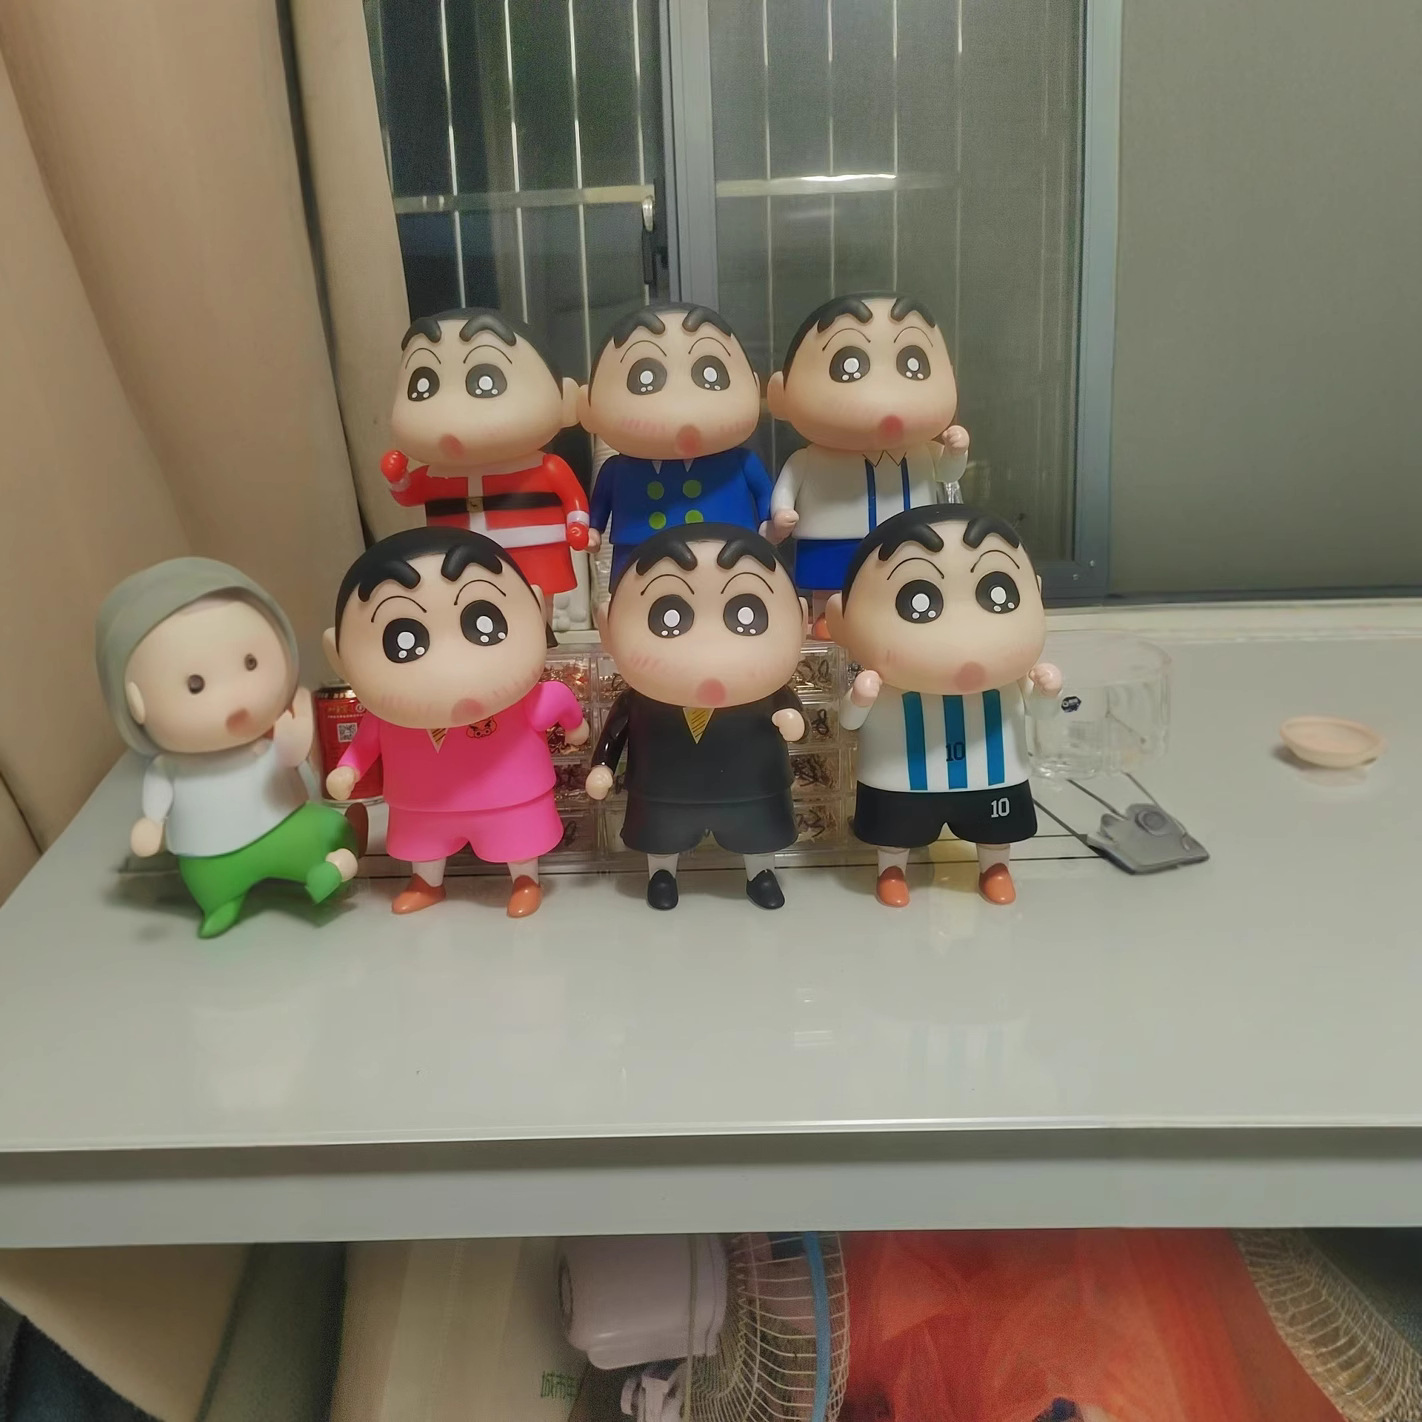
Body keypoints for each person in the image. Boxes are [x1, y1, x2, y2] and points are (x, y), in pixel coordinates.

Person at [325, 526, 588, 918]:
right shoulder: (387, 718)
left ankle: (525, 880)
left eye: (484, 623)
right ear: (339, 656)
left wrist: (576, 727)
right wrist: (347, 771)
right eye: (402, 640)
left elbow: (560, 701)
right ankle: (426, 883)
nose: (450, 667)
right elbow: (364, 745)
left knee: (517, 840)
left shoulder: (524, 701)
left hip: (508, 796)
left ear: (538, 612)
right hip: (421, 801)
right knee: (424, 845)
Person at [94, 558, 357, 937]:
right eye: (196, 685)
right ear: (134, 703)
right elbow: (159, 795)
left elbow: (294, 759)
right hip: (211, 851)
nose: (238, 699)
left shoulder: (271, 733)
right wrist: (151, 823)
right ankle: (222, 902)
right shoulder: (172, 766)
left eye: (251, 662)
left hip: (285, 823)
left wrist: (294, 741)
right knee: (209, 879)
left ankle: (327, 870)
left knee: (330, 831)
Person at [826, 505, 1062, 908]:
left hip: (994, 775)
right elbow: (848, 721)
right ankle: (891, 870)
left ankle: (995, 867)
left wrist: (1046, 693)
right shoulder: (884, 687)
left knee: (995, 829)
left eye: (999, 594)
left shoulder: (1012, 680)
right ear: (841, 619)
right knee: (895, 832)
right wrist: (860, 697)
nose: (963, 634)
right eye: (917, 602)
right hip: (901, 778)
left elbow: (1040, 714)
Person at [584, 524, 807, 910]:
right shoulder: (639, 700)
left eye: (747, 615)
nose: (709, 647)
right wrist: (602, 765)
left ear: (801, 622)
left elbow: (797, 725)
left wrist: (794, 723)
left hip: (751, 785)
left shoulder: (770, 695)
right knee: (662, 835)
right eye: (668, 617)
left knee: (757, 833)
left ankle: (760, 873)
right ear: (607, 627)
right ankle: (662, 874)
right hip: (664, 788)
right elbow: (616, 732)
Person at [766, 292, 970, 632]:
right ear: (781, 393)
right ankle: (828, 617)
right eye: (848, 366)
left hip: (910, 540)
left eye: (914, 363)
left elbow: (948, 474)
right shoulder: (809, 460)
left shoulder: (924, 451)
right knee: (832, 582)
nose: (886, 392)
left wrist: (955, 453)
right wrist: (781, 512)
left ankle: (900, 618)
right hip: (831, 537)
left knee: (906, 580)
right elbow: (787, 485)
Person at [379, 308, 590, 604]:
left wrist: (577, 525)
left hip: (534, 550)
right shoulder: (434, 475)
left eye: (486, 382)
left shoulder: (547, 468)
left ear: (565, 400)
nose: (452, 411)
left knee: (536, 604)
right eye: (422, 385)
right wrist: (397, 477)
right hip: (459, 559)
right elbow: (407, 494)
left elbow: (573, 499)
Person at [580, 304, 783, 580]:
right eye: (644, 379)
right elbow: (600, 506)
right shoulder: (616, 469)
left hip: (727, 551)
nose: (682, 403)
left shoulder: (742, 462)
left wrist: (772, 520)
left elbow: (764, 495)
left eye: (711, 374)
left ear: (755, 387)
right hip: (637, 552)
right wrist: (593, 529)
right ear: (586, 406)